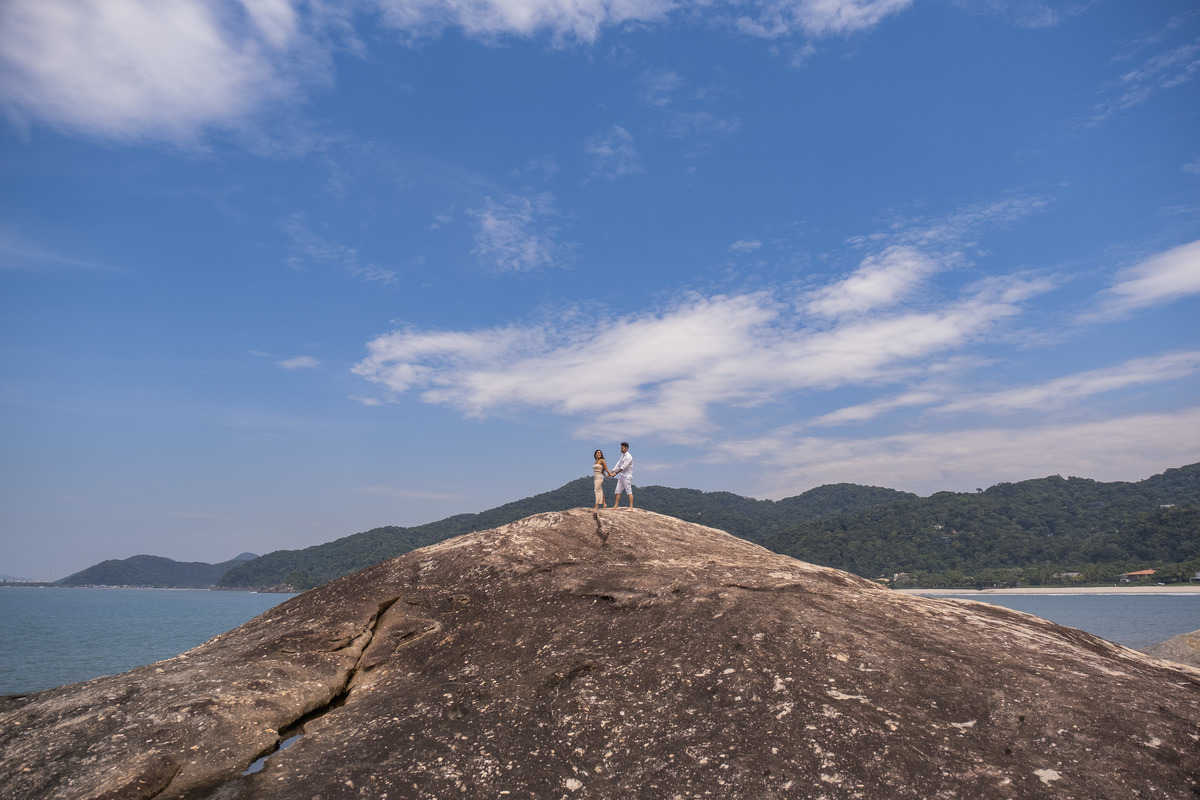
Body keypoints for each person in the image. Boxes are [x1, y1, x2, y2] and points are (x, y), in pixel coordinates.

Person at [610, 442, 633, 510]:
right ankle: (616, 506)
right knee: (617, 491)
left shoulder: (629, 456)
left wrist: (615, 473)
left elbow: (623, 467)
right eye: (621, 448)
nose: (621, 449)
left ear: (626, 448)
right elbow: (618, 464)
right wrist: (611, 471)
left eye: (622, 448)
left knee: (629, 491)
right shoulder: (622, 455)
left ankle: (631, 507)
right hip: (622, 476)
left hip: (627, 476)